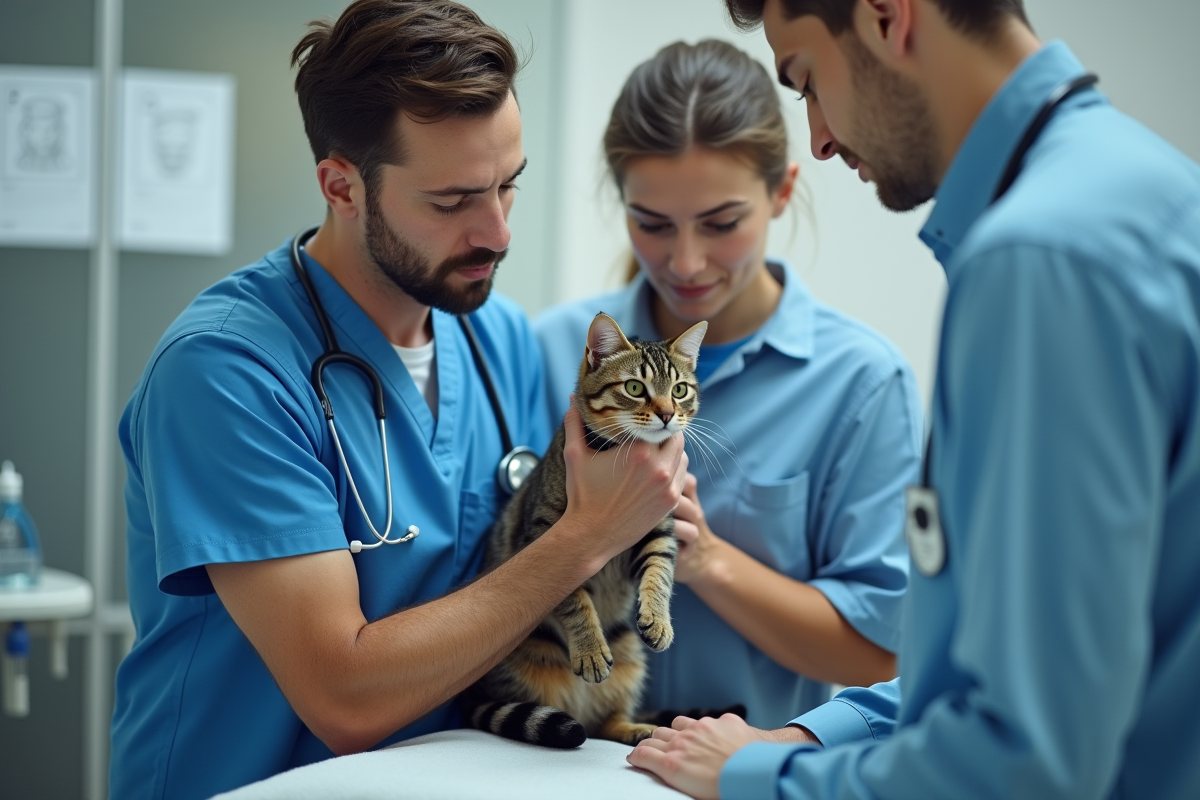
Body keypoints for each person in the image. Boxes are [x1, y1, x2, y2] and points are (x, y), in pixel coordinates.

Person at [108, 2, 689, 798]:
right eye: (452, 203)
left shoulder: (500, 342)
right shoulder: (224, 372)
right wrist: (586, 537)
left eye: (508, 187)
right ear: (341, 186)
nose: (497, 232)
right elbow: (344, 697)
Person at [627, 0, 1200, 798]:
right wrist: (798, 740)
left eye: (807, 80)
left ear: (888, 17)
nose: (820, 139)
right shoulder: (1149, 186)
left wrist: (766, 782)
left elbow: (1021, 759)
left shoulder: (1039, 259)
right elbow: (1000, 666)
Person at [535, 39, 922, 730]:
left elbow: (877, 652)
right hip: (562, 759)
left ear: (782, 192)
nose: (685, 263)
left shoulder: (862, 383)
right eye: (652, 224)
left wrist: (705, 559)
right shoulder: (552, 349)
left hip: (742, 772)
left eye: (721, 224)